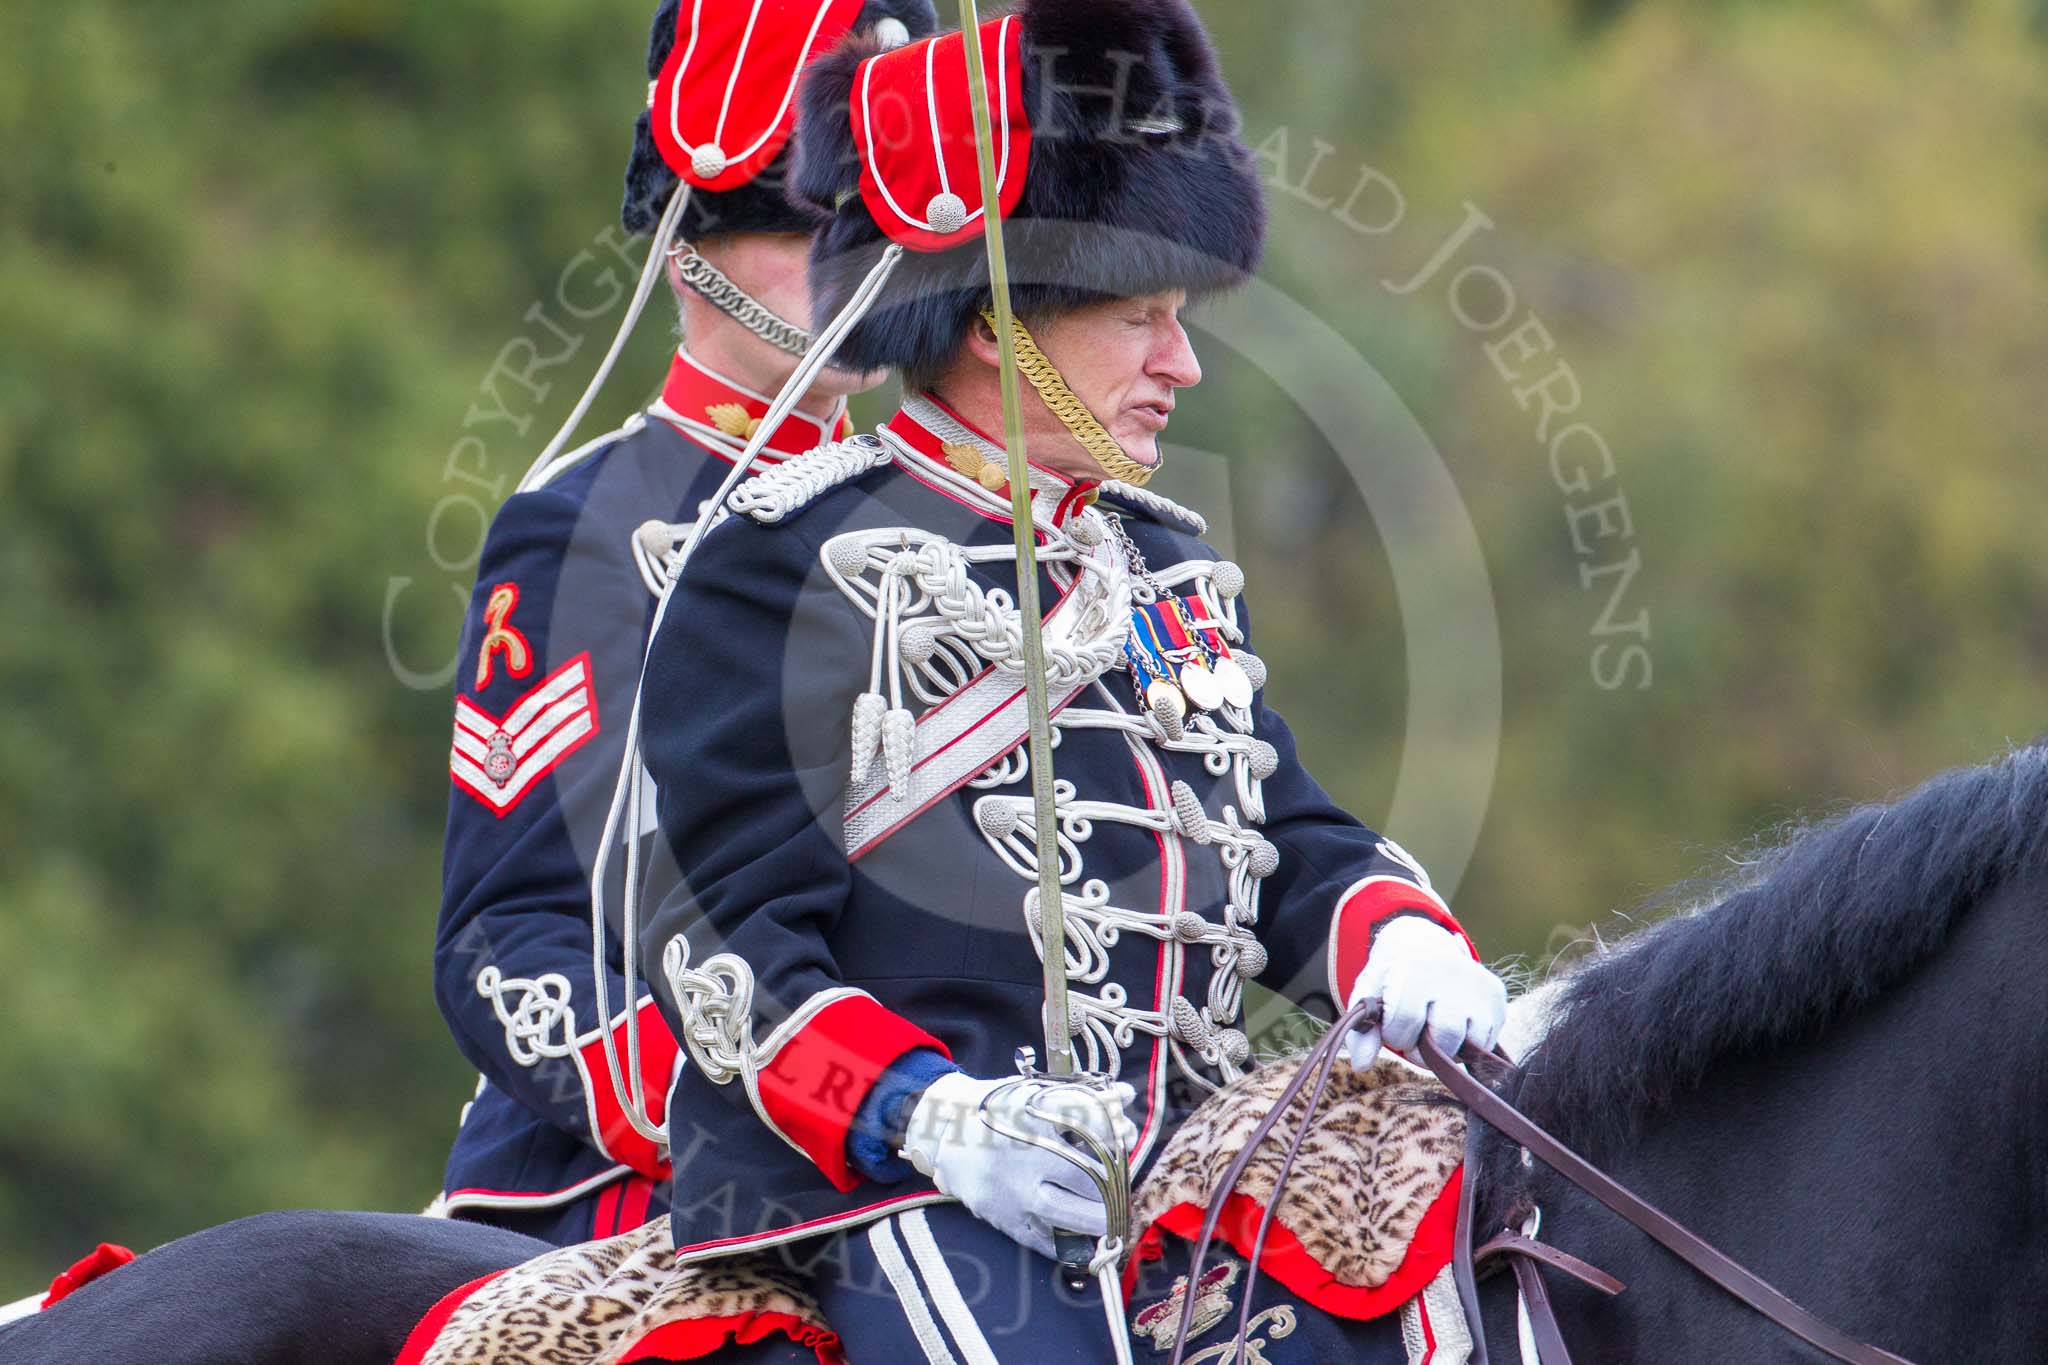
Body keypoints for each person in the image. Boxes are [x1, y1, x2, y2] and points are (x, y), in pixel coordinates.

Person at [637, 0, 1509, 1354]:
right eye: (1142, 319)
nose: (1184, 363)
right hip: (895, 1195)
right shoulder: (784, 556)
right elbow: (721, 948)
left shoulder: (1163, 564)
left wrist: (1395, 932)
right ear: (998, 325)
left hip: (1183, 1181)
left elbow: (1282, 839)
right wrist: (932, 1113)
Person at [432, 0, 936, 1248]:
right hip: (645, 1183)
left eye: (876, 231)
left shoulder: (946, 525)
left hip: (940, 1144)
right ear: (689, 249)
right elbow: (510, 939)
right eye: (814, 229)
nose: (860, 268)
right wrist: (776, 1105)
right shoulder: (586, 517)